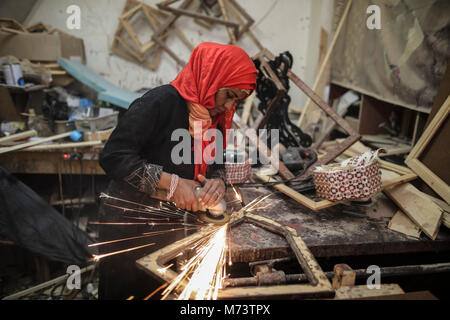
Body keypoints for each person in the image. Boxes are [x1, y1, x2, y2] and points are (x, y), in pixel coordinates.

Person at [97, 42, 257, 299]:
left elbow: (214, 160)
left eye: (237, 101)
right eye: (229, 95)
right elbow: (114, 156)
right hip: (130, 224)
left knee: (163, 292)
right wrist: (171, 183)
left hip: (169, 224)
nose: (230, 107)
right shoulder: (160, 102)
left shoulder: (213, 117)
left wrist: (218, 180)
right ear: (210, 78)